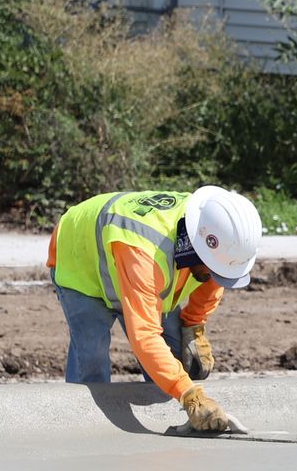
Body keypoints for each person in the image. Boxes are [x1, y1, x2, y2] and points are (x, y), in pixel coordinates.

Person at [47, 185, 262, 432]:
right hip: (81, 259)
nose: (215, 276)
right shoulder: (146, 252)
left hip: (136, 267)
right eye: (212, 268)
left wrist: (194, 324)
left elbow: (214, 278)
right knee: (91, 355)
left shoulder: (209, 231)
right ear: (195, 247)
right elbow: (145, 336)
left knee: (174, 353)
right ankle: (82, 425)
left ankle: (170, 411)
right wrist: (190, 395)